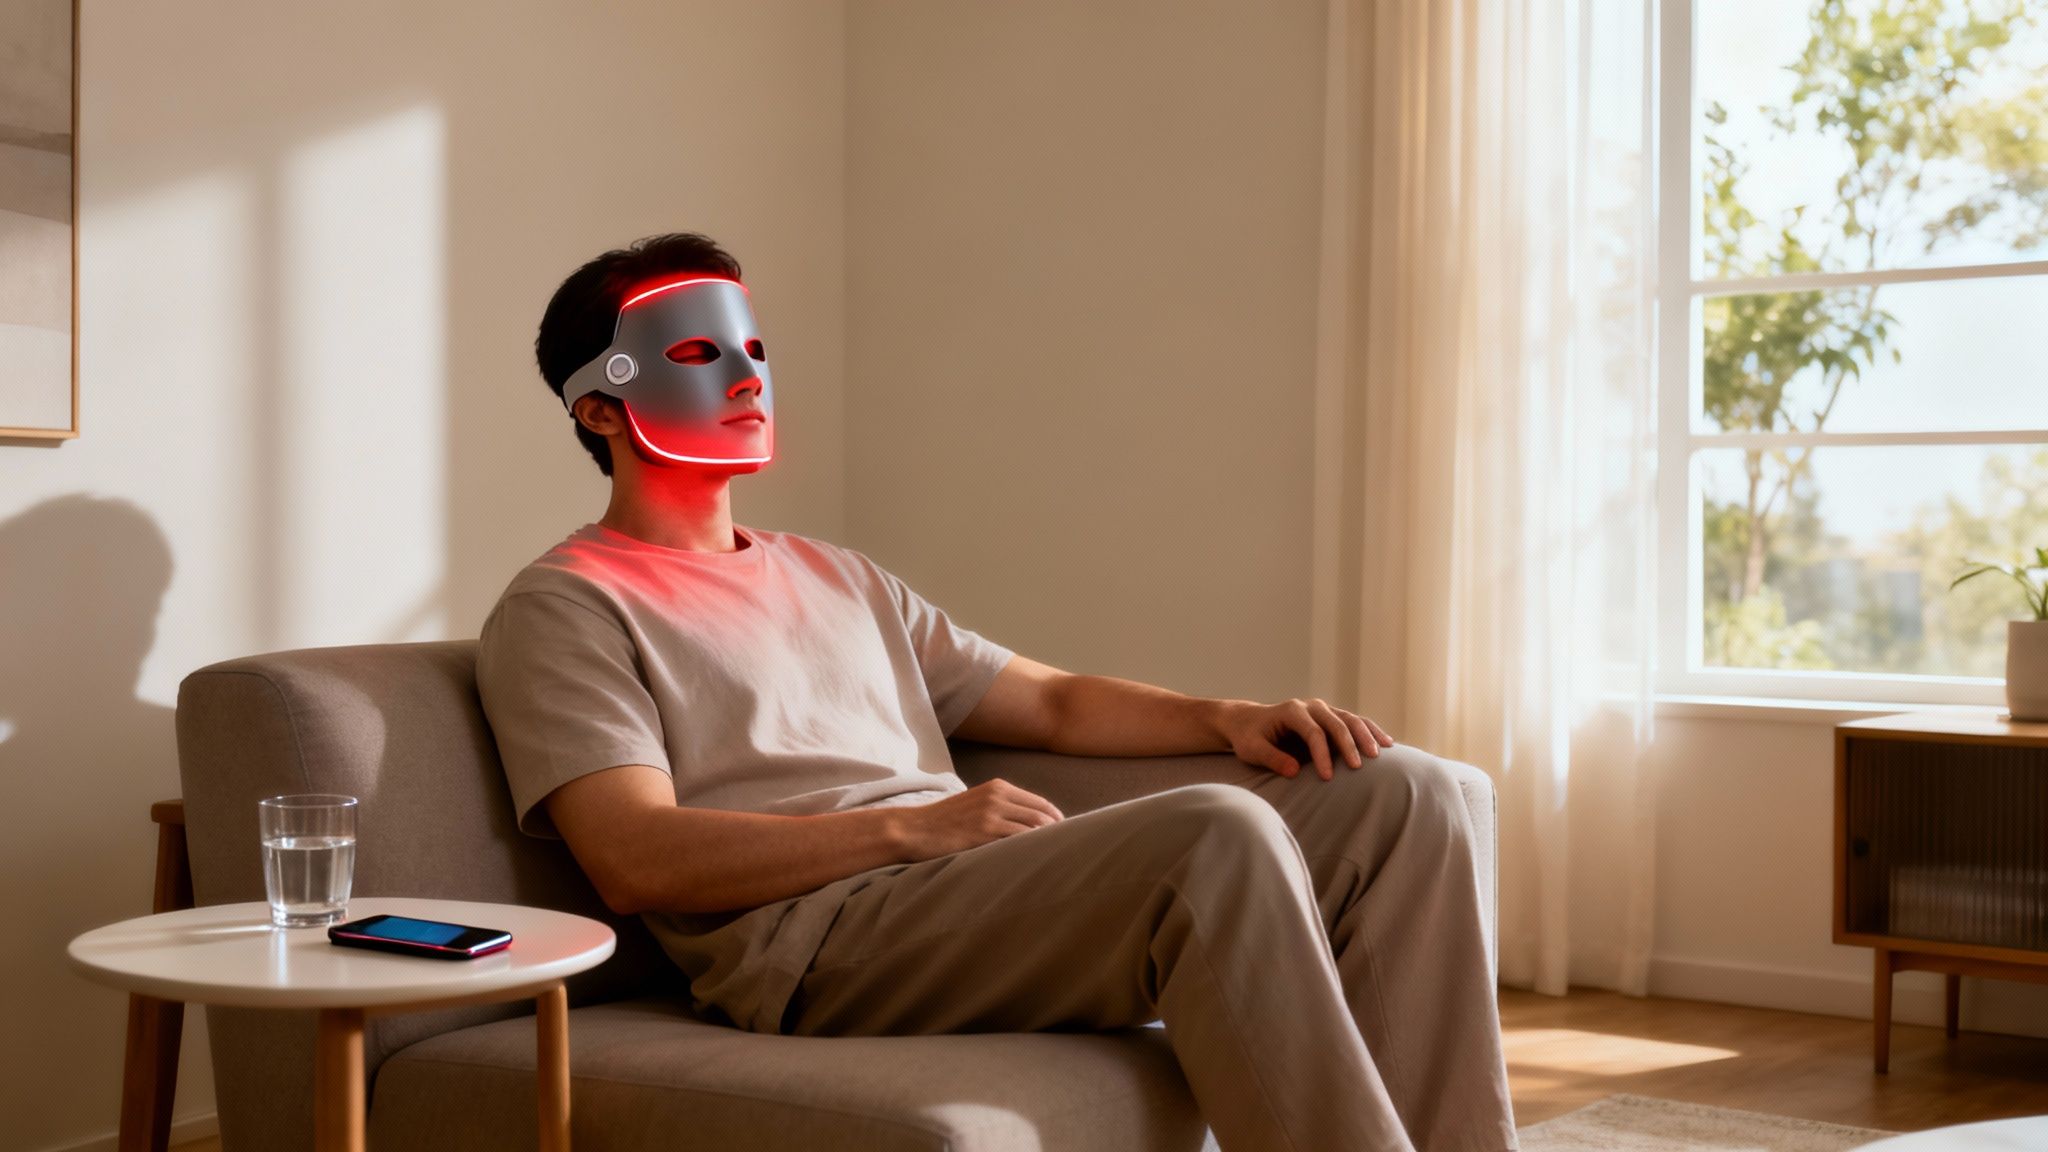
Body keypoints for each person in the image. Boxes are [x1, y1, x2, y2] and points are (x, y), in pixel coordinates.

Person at [476, 232, 1517, 1152]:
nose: (747, 377)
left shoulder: (836, 574)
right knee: (1215, 834)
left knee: (1409, 794)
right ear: (600, 404)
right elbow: (632, 855)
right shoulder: (565, 605)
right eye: (699, 355)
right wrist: (910, 830)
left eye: (753, 350)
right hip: (813, 942)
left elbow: (1052, 704)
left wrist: (1230, 717)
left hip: (958, 890)